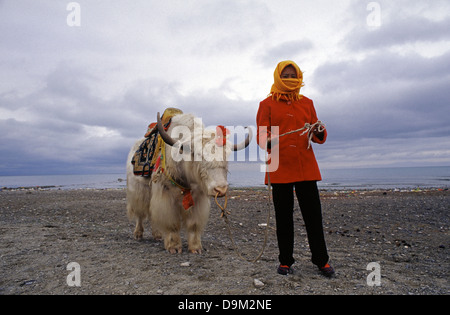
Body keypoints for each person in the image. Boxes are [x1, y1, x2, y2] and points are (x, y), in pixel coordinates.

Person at [256, 60, 335, 277]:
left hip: (305, 167)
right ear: (278, 77)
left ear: (299, 77)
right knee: (283, 218)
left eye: (293, 75)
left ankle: (322, 260)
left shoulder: (307, 103)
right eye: (286, 76)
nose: (290, 79)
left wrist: (318, 130)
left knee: (313, 216)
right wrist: (269, 140)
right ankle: (285, 261)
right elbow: (261, 136)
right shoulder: (266, 104)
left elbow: (318, 136)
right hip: (279, 167)